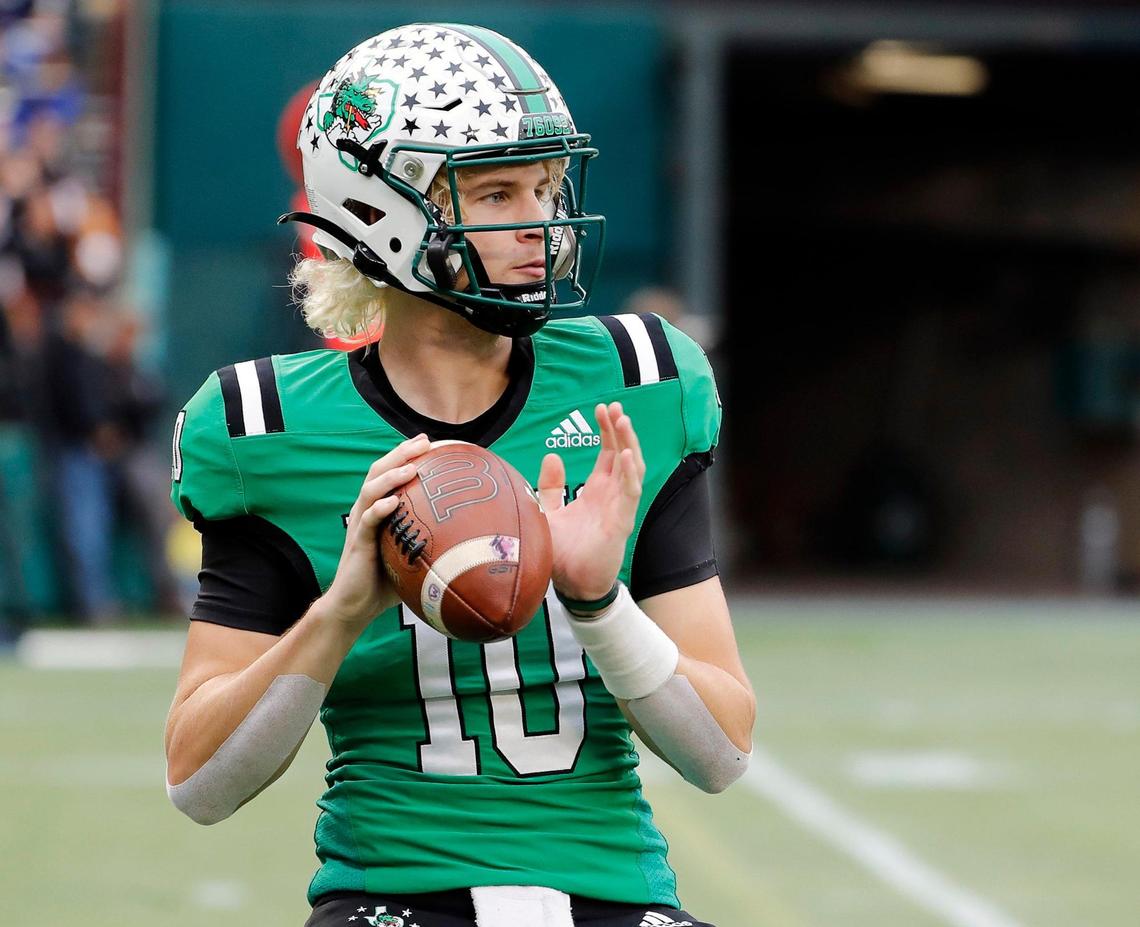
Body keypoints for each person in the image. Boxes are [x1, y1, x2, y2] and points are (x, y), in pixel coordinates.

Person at [164, 23, 755, 927]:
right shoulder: (264, 429)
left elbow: (721, 753)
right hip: (392, 897)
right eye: (496, 193)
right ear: (378, 208)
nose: (543, 223)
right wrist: (340, 612)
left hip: (615, 896)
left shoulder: (638, 382)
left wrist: (602, 603)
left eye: (547, 186)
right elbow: (199, 783)